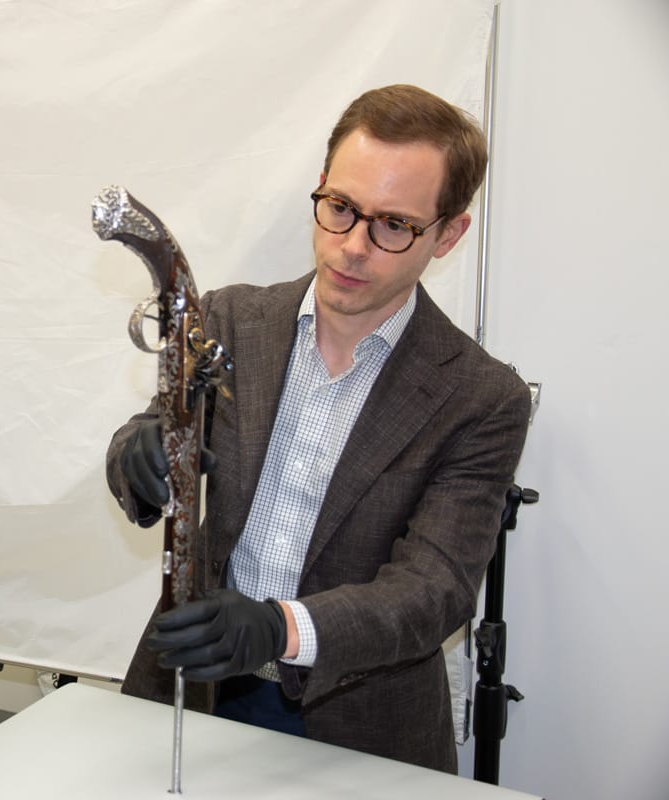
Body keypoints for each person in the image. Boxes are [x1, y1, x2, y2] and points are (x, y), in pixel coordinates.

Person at [105, 84, 531, 773]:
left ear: (449, 233)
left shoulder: (482, 397)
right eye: (339, 208)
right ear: (322, 189)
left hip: (360, 724)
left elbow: (436, 589)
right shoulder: (227, 320)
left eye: (394, 225)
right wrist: (135, 458)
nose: (354, 247)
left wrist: (280, 628)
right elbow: (153, 430)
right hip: (197, 691)